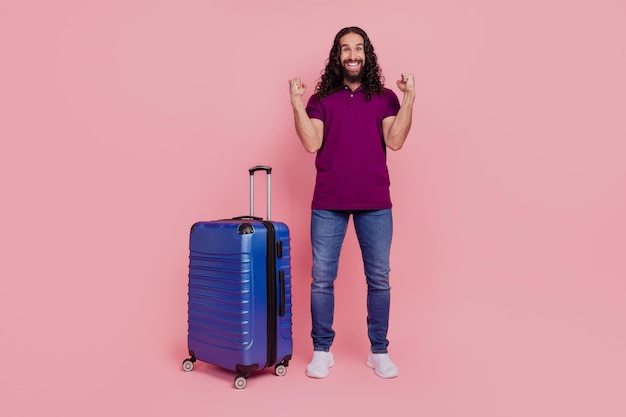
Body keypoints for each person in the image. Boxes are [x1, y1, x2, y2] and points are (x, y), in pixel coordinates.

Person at [289, 26, 415, 379]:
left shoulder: (385, 96)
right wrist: (297, 103)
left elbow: (396, 139)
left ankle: (379, 350)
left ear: (367, 54)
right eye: (346, 49)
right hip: (328, 201)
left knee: (379, 279)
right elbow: (312, 143)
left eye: (358, 48)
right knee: (321, 279)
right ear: (338, 56)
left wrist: (410, 99)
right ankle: (322, 350)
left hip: (375, 201)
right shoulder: (321, 99)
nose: (352, 55)